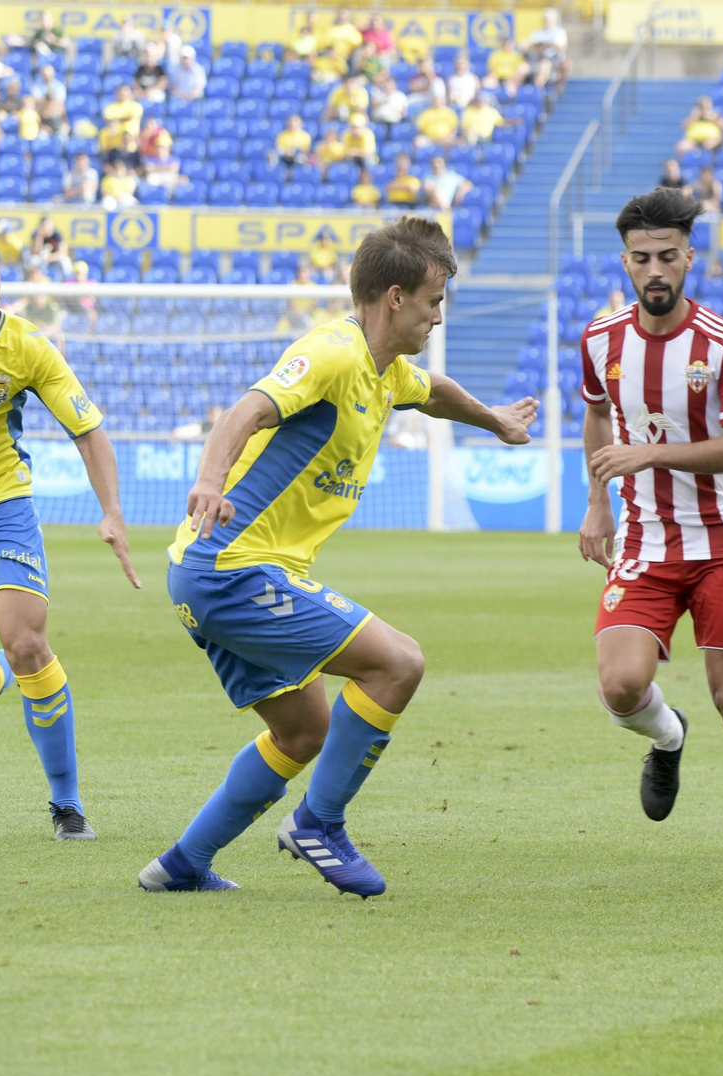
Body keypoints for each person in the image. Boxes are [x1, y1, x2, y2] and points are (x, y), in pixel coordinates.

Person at [140, 217, 536, 894]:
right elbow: (246, 410)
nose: (439, 317)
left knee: (302, 732)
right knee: (398, 662)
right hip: (231, 568)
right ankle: (318, 823)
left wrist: (492, 417)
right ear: (395, 298)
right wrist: (209, 478)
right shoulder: (331, 354)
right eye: (433, 302)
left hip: (210, 573)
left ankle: (180, 866)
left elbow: (434, 392)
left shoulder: (386, 372)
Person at [575, 189, 723, 864]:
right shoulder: (600, 339)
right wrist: (597, 500)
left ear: (689, 258)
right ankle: (668, 735)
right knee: (620, 687)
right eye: (642, 258)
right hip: (645, 540)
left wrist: (648, 454)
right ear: (626, 262)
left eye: (668, 256)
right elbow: (597, 413)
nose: (656, 270)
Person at [0, 218, 139, 840]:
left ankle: (67, 806)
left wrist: (112, 513)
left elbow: (88, 432)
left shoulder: (26, 347)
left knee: (26, 640)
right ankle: (0, 667)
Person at [524, 8, 569, 90]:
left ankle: (538, 89)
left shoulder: (560, 32)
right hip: (538, 59)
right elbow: (525, 44)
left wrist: (548, 42)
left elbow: (562, 48)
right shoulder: (538, 33)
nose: (547, 21)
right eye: (545, 18)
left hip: (554, 61)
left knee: (546, 66)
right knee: (524, 68)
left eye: (549, 19)